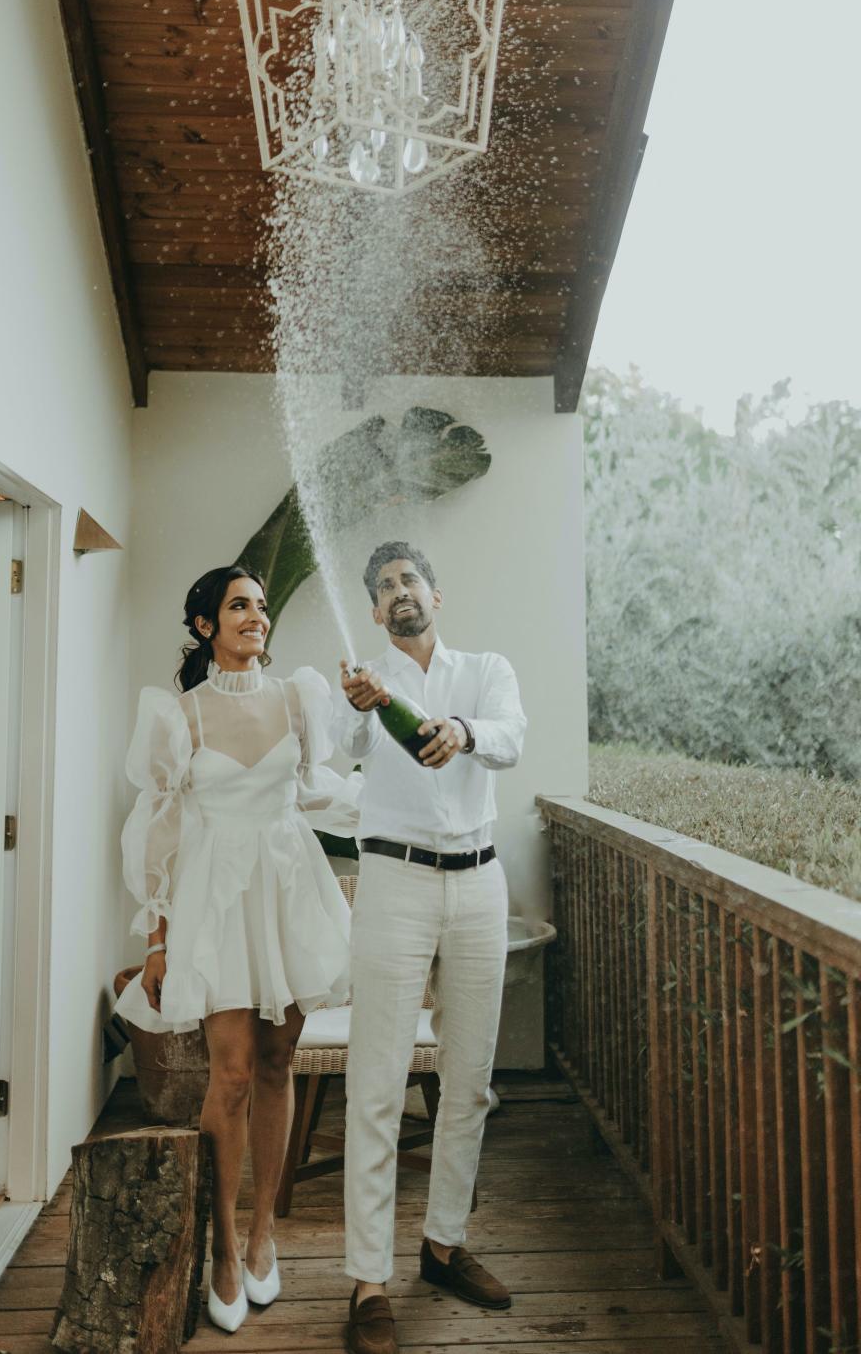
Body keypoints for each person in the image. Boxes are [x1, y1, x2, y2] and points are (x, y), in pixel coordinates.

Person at [114, 565, 360, 1335]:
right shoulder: (177, 716)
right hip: (216, 902)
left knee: (281, 1060)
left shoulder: (298, 698)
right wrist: (156, 937)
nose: (255, 615)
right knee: (230, 1071)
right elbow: (158, 827)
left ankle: (263, 1233)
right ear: (204, 626)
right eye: (237, 605)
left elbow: (321, 789)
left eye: (258, 605)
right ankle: (221, 1244)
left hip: (287, 892)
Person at [333, 541, 526, 1354]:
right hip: (396, 884)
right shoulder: (361, 684)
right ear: (375, 613)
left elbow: (511, 737)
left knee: (469, 1080)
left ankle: (443, 1245)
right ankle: (369, 1280)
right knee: (377, 1083)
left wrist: (462, 731)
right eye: (383, 586)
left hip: (480, 883)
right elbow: (341, 750)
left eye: (409, 578)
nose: (398, 591)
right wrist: (362, 705)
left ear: (435, 596)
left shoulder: (486, 670)